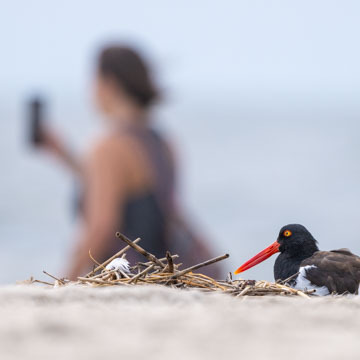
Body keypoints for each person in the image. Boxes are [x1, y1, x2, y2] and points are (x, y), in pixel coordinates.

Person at [40, 44, 221, 279]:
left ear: (109, 83)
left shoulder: (108, 146)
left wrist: (65, 280)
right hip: (163, 274)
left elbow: (102, 226)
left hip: (129, 275)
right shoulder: (162, 142)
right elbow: (139, 199)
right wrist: (65, 157)